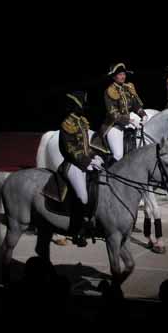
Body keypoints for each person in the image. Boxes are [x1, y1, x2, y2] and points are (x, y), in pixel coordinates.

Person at [59, 91, 105, 247]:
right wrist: (88, 162)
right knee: (83, 197)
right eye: (81, 104)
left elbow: (85, 146)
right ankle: (77, 231)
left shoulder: (82, 122)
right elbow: (71, 149)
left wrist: (95, 156)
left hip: (84, 162)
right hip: (72, 164)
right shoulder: (67, 124)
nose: (83, 107)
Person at [101, 62, 147, 161]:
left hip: (130, 118)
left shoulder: (128, 87)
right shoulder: (109, 91)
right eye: (120, 74)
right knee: (118, 155)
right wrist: (130, 121)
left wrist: (143, 115)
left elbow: (136, 105)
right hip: (114, 124)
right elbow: (114, 114)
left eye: (124, 74)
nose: (123, 77)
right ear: (114, 77)